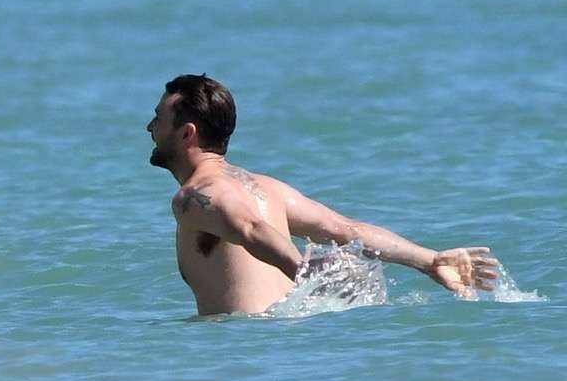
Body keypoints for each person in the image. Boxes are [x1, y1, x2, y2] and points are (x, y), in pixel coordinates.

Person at [147, 73, 499, 316]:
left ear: (187, 134)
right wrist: (430, 260)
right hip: (290, 347)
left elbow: (249, 227)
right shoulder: (268, 189)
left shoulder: (193, 197)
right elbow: (345, 229)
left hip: (246, 359)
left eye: (158, 119)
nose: (149, 127)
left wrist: (301, 270)